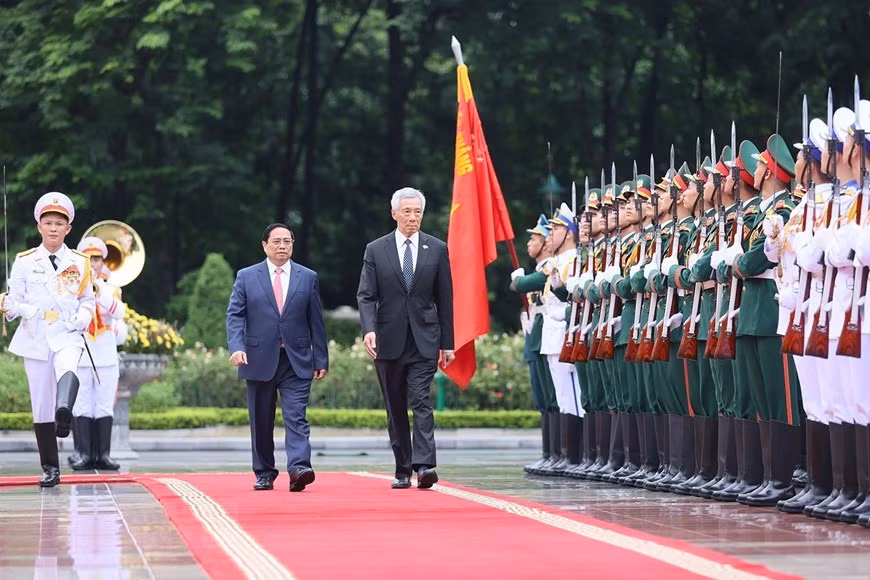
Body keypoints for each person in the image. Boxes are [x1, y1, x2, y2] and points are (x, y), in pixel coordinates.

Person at [356, 187, 455, 490]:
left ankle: (424, 466)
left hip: (424, 338)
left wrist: (447, 343)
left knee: (420, 400)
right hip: (388, 340)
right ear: (394, 213)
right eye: (407, 212)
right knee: (395, 405)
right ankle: (402, 468)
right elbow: (366, 295)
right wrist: (369, 329)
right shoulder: (376, 249)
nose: (413, 218)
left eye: (418, 212)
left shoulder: (436, 249)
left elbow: (445, 298)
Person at [0, 192, 95, 487]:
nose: (53, 228)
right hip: (36, 335)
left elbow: (87, 300)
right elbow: (13, 303)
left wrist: (83, 317)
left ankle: (64, 413)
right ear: (39, 226)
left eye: (59, 223)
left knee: (69, 367)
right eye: (48, 222)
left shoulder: (79, 262)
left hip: (67, 331)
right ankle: (50, 468)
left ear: (68, 229)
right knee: (41, 403)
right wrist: (11, 306)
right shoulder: (25, 261)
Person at [226, 223, 328, 492]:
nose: (282, 246)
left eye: (287, 241)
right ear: (264, 245)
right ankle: (264, 472)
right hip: (257, 358)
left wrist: (321, 359)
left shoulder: (308, 277)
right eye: (277, 242)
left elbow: (316, 321)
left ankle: (298, 468)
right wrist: (237, 347)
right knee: (261, 420)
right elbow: (235, 315)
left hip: (296, 359)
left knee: (296, 416)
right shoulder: (247, 276)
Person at [69, 236, 127, 471]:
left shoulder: (112, 289)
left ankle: (103, 455)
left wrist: (98, 288)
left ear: (103, 261)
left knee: (104, 406)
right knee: (82, 405)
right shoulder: (70, 287)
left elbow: (119, 312)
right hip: (82, 354)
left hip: (105, 355)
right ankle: (84, 454)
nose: (93, 263)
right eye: (89, 259)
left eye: (97, 259)